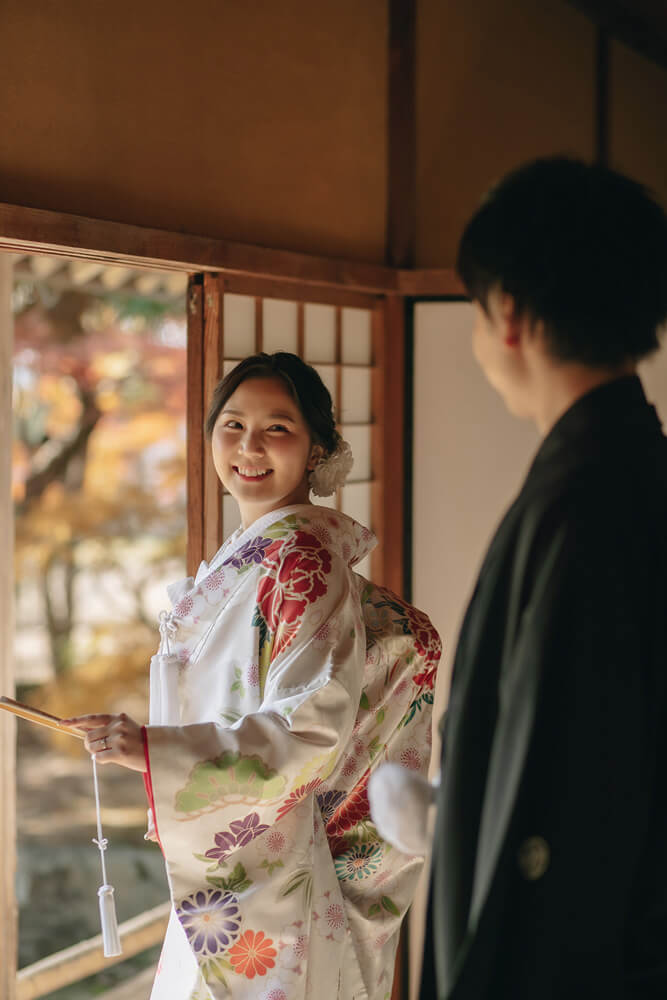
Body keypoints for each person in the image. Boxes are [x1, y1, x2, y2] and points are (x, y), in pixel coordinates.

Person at [65, 351, 441, 1000]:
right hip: (246, 856)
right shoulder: (256, 556)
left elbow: (312, 729)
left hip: (279, 871)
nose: (249, 447)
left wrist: (155, 750)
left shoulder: (302, 558)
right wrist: (154, 747)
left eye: (277, 428)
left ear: (316, 447)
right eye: (232, 426)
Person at [419, 158, 667, 999]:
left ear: (511, 315)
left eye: (476, 312)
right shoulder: (631, 465)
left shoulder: (583, 503)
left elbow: (565, 796)